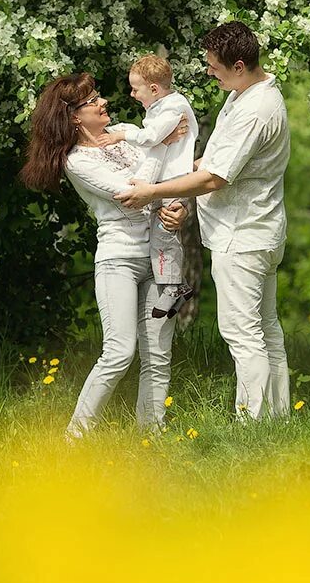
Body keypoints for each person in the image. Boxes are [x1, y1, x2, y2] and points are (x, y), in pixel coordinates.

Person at [116, 22, 290, 421]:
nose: (209, 72)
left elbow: (215, 177)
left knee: (243, 334)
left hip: (243, 236)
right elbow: (216, 163)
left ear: (240, 64)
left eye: (214, 66)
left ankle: (252, 426)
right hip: (255, 229)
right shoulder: (244, 93)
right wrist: (181, 172)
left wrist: (152, 192)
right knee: (266, 328)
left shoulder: (256, 109)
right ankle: (280, 418)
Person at [20, 72, 189, 438]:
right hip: (120, 260)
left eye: (98, 96)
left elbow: (169, 178)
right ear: (75, 117)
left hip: (164, 255)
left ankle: (152, 437)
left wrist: (179, 208)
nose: (103, 102)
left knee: (158, 355)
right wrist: (160, 146)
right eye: (93, 100)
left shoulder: (127, 130)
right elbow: (131, 193)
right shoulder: (77, 162)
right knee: (119, 350)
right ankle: (75, 437)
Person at [96, 54, 199, 319]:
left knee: (164, 233)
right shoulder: (162, 106)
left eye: (135, 88)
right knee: (161, 231)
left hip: (174, 180)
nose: (131, 94)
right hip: (165, 179)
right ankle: (174, 285)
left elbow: (150, 137)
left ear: (154, 89)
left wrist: (119, 135)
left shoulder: (172, 107)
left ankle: (174, 285)